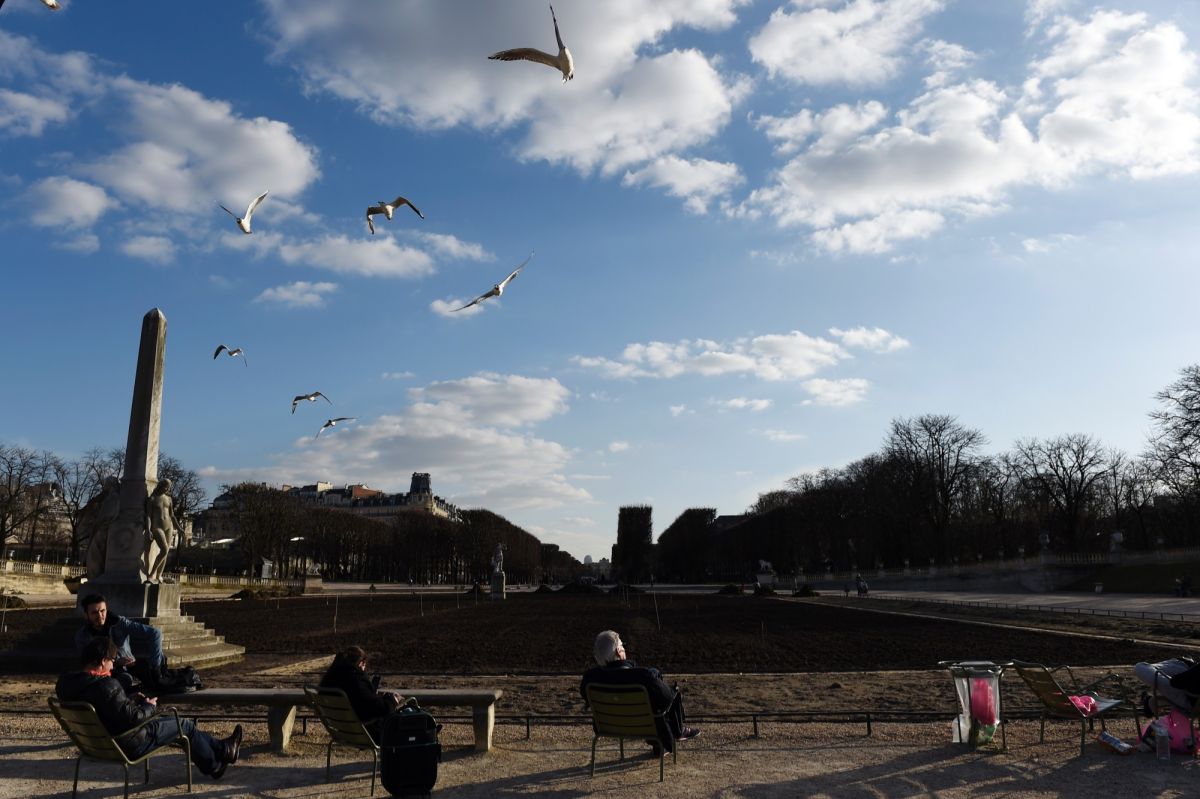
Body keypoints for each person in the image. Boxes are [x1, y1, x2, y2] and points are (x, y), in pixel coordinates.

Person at [56, 637, 241, 779]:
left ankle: (223, 749)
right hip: (129, 743)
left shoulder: (66, 684)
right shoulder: (107, 685)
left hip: (96, 744)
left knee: (174, 724)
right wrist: (148, 705)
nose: (113, 666)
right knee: (185, 725)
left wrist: (127, 698)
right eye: (112, 660)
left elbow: (104, 705)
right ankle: (215, 765)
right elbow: (134, 718)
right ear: (103, 661)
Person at [579, 630, 699, 756]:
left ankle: (671, 737)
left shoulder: (589, 679)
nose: (624, 648)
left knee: (654, 679)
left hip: (609, 727)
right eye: (622, 645)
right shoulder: (643, 676)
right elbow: (667, 699)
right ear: (618, 652)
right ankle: (673, 735)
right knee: (664, 694)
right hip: (645, 727)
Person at [75, 593, 166, 692]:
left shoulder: (119, 623)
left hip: (129, 668)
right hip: (103, 673)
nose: (100, 615)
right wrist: (117, 663)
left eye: (102, 611)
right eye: (94, 613)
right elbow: (87, 663)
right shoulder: (82, 636)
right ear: (86, 615)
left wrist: (155, 667)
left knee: (151, 670)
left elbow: (155, 634)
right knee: (119, 682)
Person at [319, 645, 401, 739]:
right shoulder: (356, 680)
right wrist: (392, 700)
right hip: (366, 733)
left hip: (342, 731)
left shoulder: (330, 679)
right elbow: (378, 708)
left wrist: (372, 695)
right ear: (361, 663)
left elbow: (362, 700)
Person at [144, 478, 179, 583]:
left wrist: (179, 527)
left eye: (168, 487)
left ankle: (159, 576)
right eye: (165, 486)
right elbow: (148, 516)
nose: (167, 489)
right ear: (160, 486)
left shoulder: (169, 499)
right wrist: (149, 529)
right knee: (164, 550)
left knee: (166, 552)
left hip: (169, 526)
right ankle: (151, 575)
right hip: (157, 527)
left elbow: (172, 515)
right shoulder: (152, 499)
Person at [1135, 657, 1200, 713]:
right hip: (1188, 698)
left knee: (1140, 667)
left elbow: (1175, 681)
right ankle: (1152, 701)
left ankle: (1152, 701)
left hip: (1187, 699)